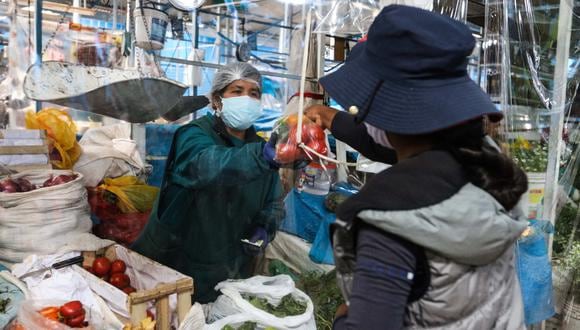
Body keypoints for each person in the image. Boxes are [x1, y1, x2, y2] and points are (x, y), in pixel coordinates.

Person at [305, 5, 528, 329]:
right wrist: (332, 119)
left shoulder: (391, 219)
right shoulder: (489, 168)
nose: (365, 117)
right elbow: (395, 144)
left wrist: (344, 320)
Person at [132, 62, 285, 303]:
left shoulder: (261, 149)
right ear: (216, 100)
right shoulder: (193, 135)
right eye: (237, 91)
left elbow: (273, 200)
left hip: (231, 267)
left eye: (253, 93)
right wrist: (262, 157)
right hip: (179, 262)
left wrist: (266, 226)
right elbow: (207, 166)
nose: (246, 98)